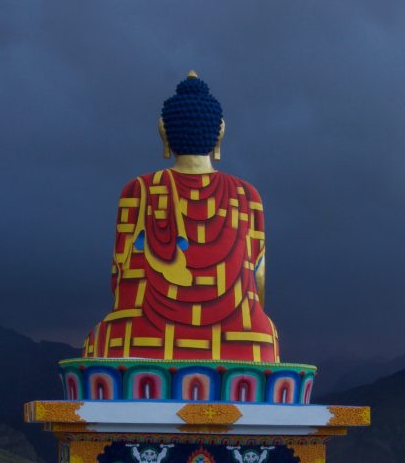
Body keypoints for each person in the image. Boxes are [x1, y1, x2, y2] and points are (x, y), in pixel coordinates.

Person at [83, 73, 280, 363]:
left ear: (163, 131)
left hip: (145, 334)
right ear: (220, 132)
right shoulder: (247, 195)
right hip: (240, 337)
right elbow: (258, 282)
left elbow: (120, 277)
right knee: (265, 336)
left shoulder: (138, 190)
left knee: (100, 343)